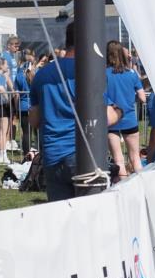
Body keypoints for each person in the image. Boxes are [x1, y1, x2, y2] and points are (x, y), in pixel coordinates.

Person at [29, 22, 123, 202]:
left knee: (62, 220)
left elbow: (34, 119)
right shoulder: (90, 73)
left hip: (53, 156)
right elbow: (108, 117)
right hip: (84, 156)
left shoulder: (43, 74)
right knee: (91, 218)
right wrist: (120, 111)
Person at [105, 40, 147, 179]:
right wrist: (130, 99)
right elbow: (142, 98)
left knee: (118, 160)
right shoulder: (131, 74)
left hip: (111, 120)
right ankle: (142, 187)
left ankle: (122, 189)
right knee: (135, 158)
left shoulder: (103, 74)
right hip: (129, 119)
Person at [13, 49, 34, 158]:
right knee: (36, 132)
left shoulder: (19, 75)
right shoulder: (36, 73)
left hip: (23, 106)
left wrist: (16, 109)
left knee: (26, 132)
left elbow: (16, 94)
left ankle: (27, 154)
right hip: (34, 106)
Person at [0, 56, 14, 165]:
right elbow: (1, 88)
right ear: (1, 65)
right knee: (3, 132)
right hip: (2, 105)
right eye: (6, 64)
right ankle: (2, 155)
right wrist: (7, 99)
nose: (7, 66)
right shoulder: (0, 76)